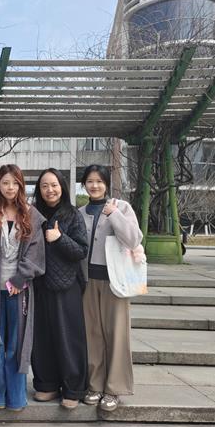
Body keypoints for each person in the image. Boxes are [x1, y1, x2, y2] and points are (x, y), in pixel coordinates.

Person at [0, 164, 45, 411]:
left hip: (19, 289)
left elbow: (36, 254)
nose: (10, 187)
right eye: (5, 182)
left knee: (16, 343)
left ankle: (15, 397)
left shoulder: (31, 215)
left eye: (15, 183)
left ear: (21, 185)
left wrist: (18, 280)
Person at [79, 164, 143, 412]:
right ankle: (95, 385)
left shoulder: (121, 207)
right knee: (92, 335)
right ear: (84, 184)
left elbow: (134, 239)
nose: (94, 185)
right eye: (90, 181)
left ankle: (114, 388)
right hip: (87, 281)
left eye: (99, 181)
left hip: (115, 282)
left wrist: (114, 214)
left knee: (116, 334)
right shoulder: (80, 212)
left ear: (107, 184)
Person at [31, 168, 88, 409]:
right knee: (42, 337)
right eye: (44, 186)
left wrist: (59, 238)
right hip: (39, 284)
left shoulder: (72, 215)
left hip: (66, 286)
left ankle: (73, 388)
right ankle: (47, 384)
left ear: (62, 187)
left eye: (54, 185)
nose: (50, 190)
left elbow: (82, 250)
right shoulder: (33, 214)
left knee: (68, 337)